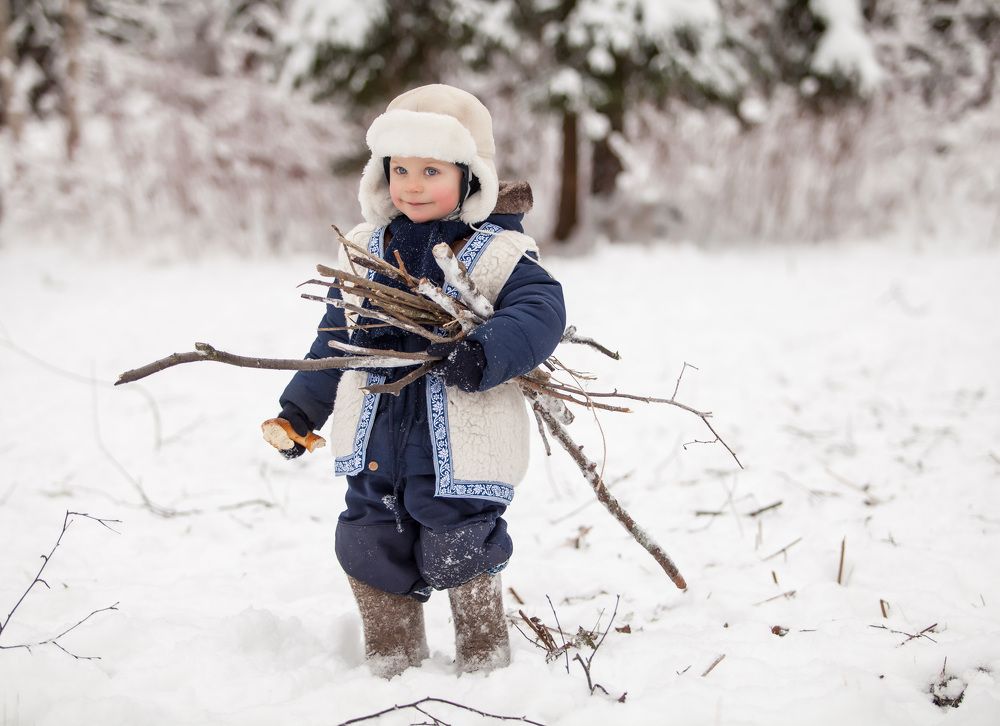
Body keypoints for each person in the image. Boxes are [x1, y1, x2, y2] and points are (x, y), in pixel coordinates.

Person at [261, 84, 566, 677]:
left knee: (461, 543)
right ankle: (390, 657)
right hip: (374, 441)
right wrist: (298, 413)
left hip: (461, 442)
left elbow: (540, 310)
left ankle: (484, 654)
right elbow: (334, 340)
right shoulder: (365, 249)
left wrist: (484, 352)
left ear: (470, 178)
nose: (413, 185)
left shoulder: (493, 252)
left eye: (431, 170)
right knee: (369, 543)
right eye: (400, 170)